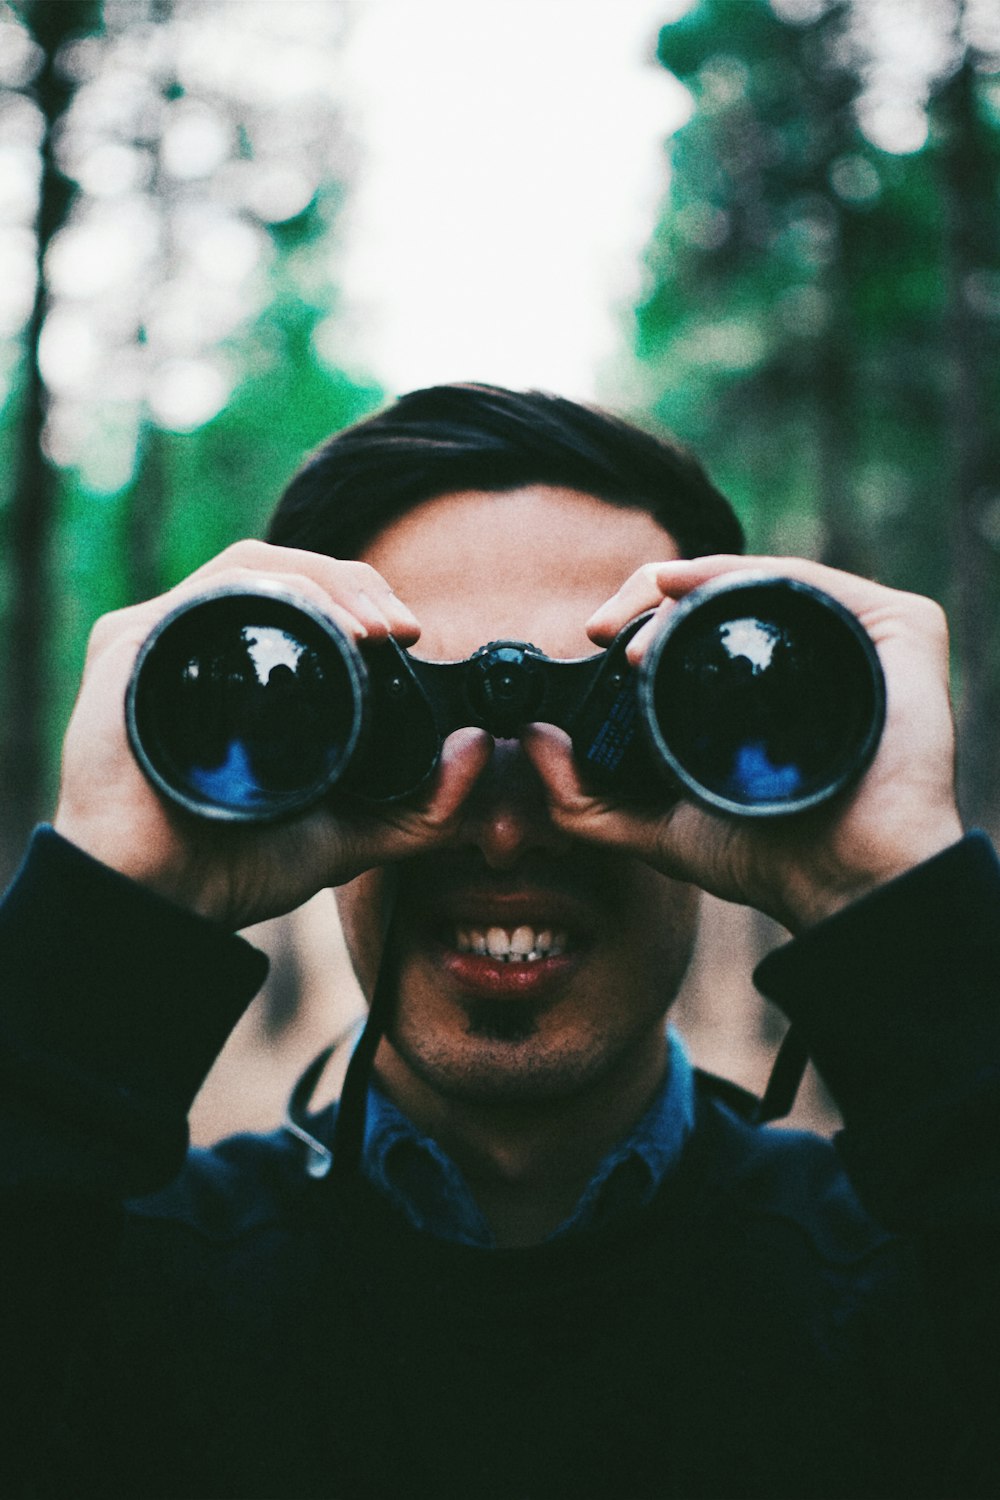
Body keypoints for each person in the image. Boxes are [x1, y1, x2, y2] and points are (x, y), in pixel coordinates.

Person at [1, 382, 997, 1500]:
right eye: (403, 733)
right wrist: (105, 905)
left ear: (706, 760)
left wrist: (902, 893)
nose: (510, 831)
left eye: (620, 726)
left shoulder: (926, 1273)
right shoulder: (87, 1278)